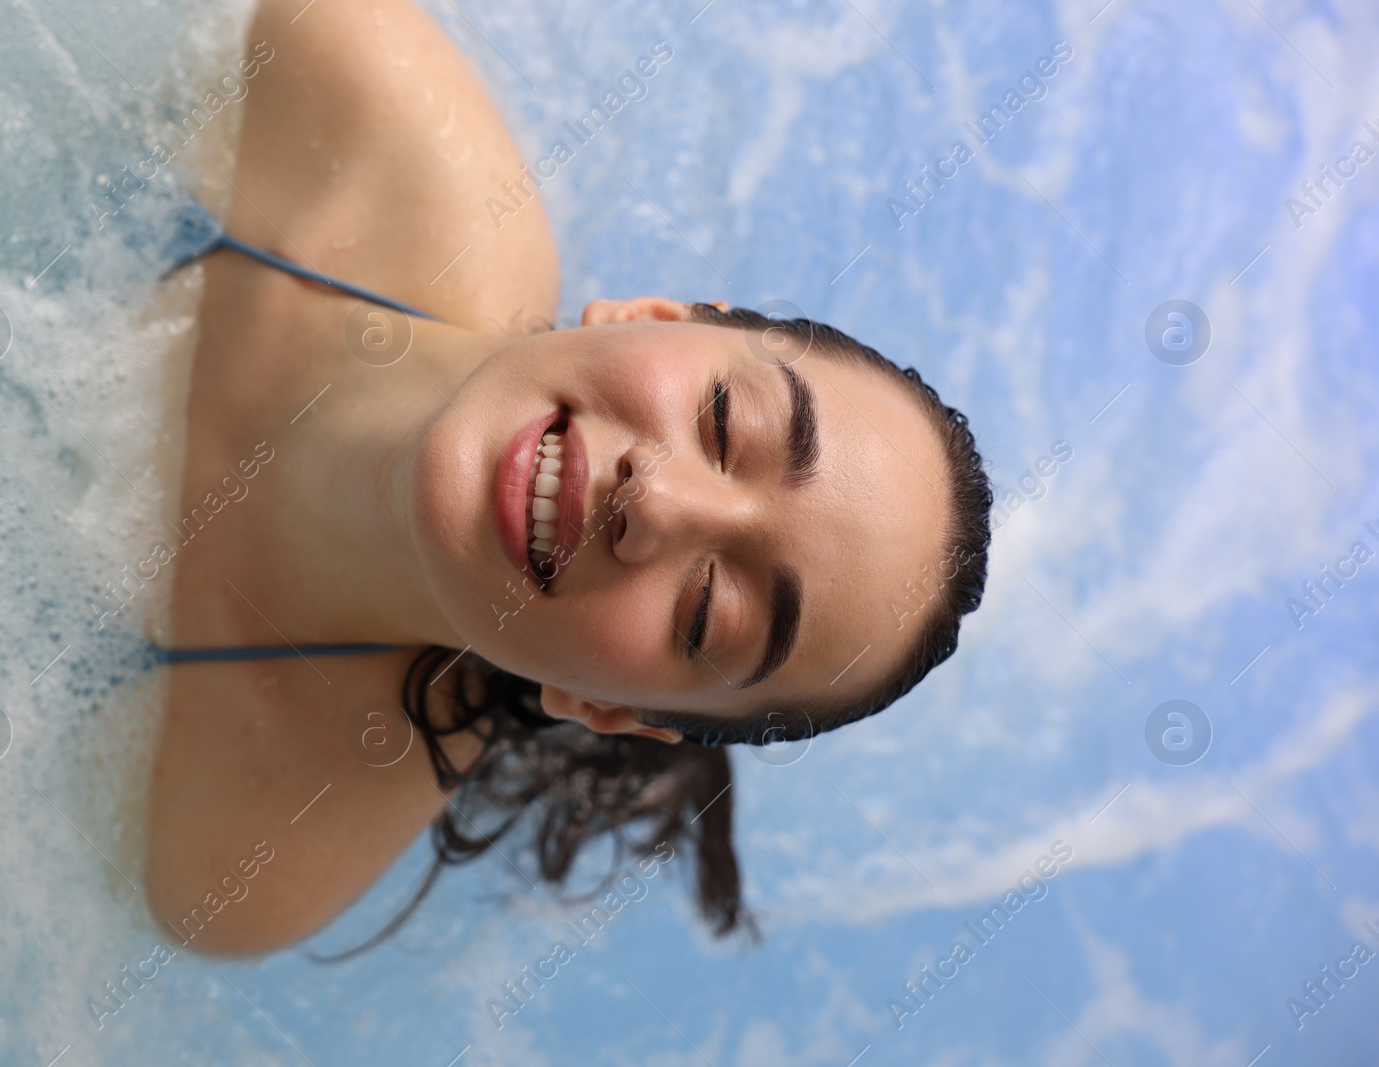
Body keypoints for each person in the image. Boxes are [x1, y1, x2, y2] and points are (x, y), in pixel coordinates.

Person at [142, 0, 991, 957]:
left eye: (708, 613)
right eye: (725, 423)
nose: (656, 500)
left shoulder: (240, 854)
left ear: (604, 709)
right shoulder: (347, 86)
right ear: (654, 316)